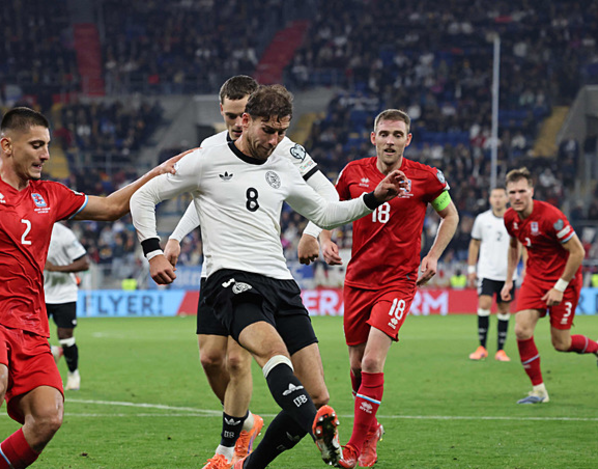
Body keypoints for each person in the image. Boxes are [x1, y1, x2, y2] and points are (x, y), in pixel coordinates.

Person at [0, 107, 185, 469]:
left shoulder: (51, 195)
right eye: (36, 145)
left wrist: (156, 173)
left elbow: (110, 207)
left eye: (47, 145)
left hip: (31, 326)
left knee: (48, 416)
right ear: (7, 145)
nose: (46, 154)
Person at [131, 85, 407, 469]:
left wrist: (375, 197)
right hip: (230, 278)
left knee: (318, 394)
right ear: (246, 120)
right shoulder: (207, 157)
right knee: (268, 354)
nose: (274, 140)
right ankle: (316, 432)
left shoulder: (281, 162)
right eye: (267, 130)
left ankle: (252, 463)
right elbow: (142, 197)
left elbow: (326, 213)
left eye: (281, 131)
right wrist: (155, 249)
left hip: (279, 281)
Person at [163, 75, 340, 468]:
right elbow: (205, 196)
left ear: (256, 113)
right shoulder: (213, 147)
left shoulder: (284, 149)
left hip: (254, 270)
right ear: (222, 111)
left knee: (240, 360)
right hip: (217, 270)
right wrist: (174, 237)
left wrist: (312, 232)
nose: (236, 124)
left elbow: (328, 196)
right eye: (230, 116)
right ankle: (244, 422)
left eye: (243, 116)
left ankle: (228, 450)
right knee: (211, 359)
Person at [313, 109, 459, 468]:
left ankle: (354, 445)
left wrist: (433, 255)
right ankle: (372, 428)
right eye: (384, 134)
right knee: (356, 366)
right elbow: (330, 209)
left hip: (397, 280)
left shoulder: (425, 178)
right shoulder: (352, 172)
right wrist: (325, 239)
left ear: (408, 140)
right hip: (357, 279)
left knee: (372, 360)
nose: (390, 141)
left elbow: (450, 215)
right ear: (373, 138)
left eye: (398, 135)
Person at [501, 167, 598, 405]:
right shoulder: (509, 218)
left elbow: (578, 252)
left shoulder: (551, 217)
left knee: (561, 343)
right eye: (512, 192)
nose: (517, 196)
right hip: (534, 277)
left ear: (532, 191)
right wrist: (510, 279)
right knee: (521, 330)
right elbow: (513, 246)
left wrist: (560, 286)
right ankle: (538, 390)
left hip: (565, 279)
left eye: (522, 191)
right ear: (507, 194)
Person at [467, 187, 515, 362]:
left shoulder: (514, 218)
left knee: (504, 309)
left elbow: (522, 244)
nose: (497, 199)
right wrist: (471, 269)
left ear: (506, 199)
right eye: (494, 196)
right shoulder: (482, 219)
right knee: (484, 303)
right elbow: (474, 244)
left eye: (501, 196)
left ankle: (500, 350)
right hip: (487, 271)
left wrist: (526, 266)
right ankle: (482, 347)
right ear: (490, 199)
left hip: (508, 274)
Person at [45, 222, 90, 391]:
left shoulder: (63, 234)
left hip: (64, 293)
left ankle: (73, 374)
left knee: (65, 337)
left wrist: (55, 268)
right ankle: (52, 354)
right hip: (38, 292)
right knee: (30, 337)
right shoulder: (25, 229)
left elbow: (84, 264)